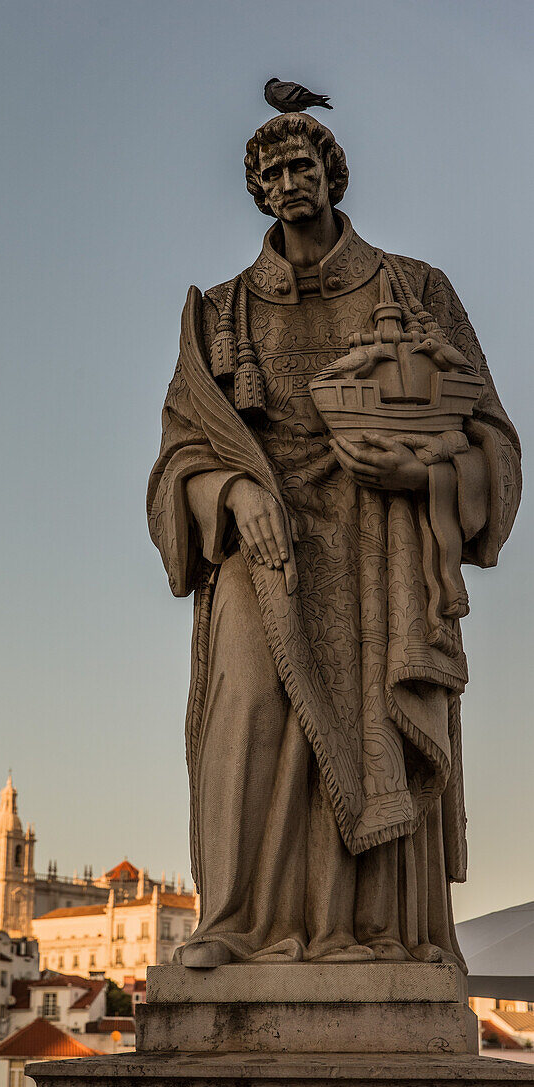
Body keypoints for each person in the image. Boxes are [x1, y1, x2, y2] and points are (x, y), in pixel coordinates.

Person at [147, 107, 520, 968]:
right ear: (257, 192)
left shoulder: (415, 290)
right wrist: (233, 489)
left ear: (330, 173)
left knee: (373, 724)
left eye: (300, 166)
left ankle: (377, 932)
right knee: (245, 712)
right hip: (263, 546)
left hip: (381, 541)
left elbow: (490, 437)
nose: (287, 184)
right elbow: (175, 465)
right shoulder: (219, 312)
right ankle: (237, 926)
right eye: (270, 175)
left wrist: (426, 474)